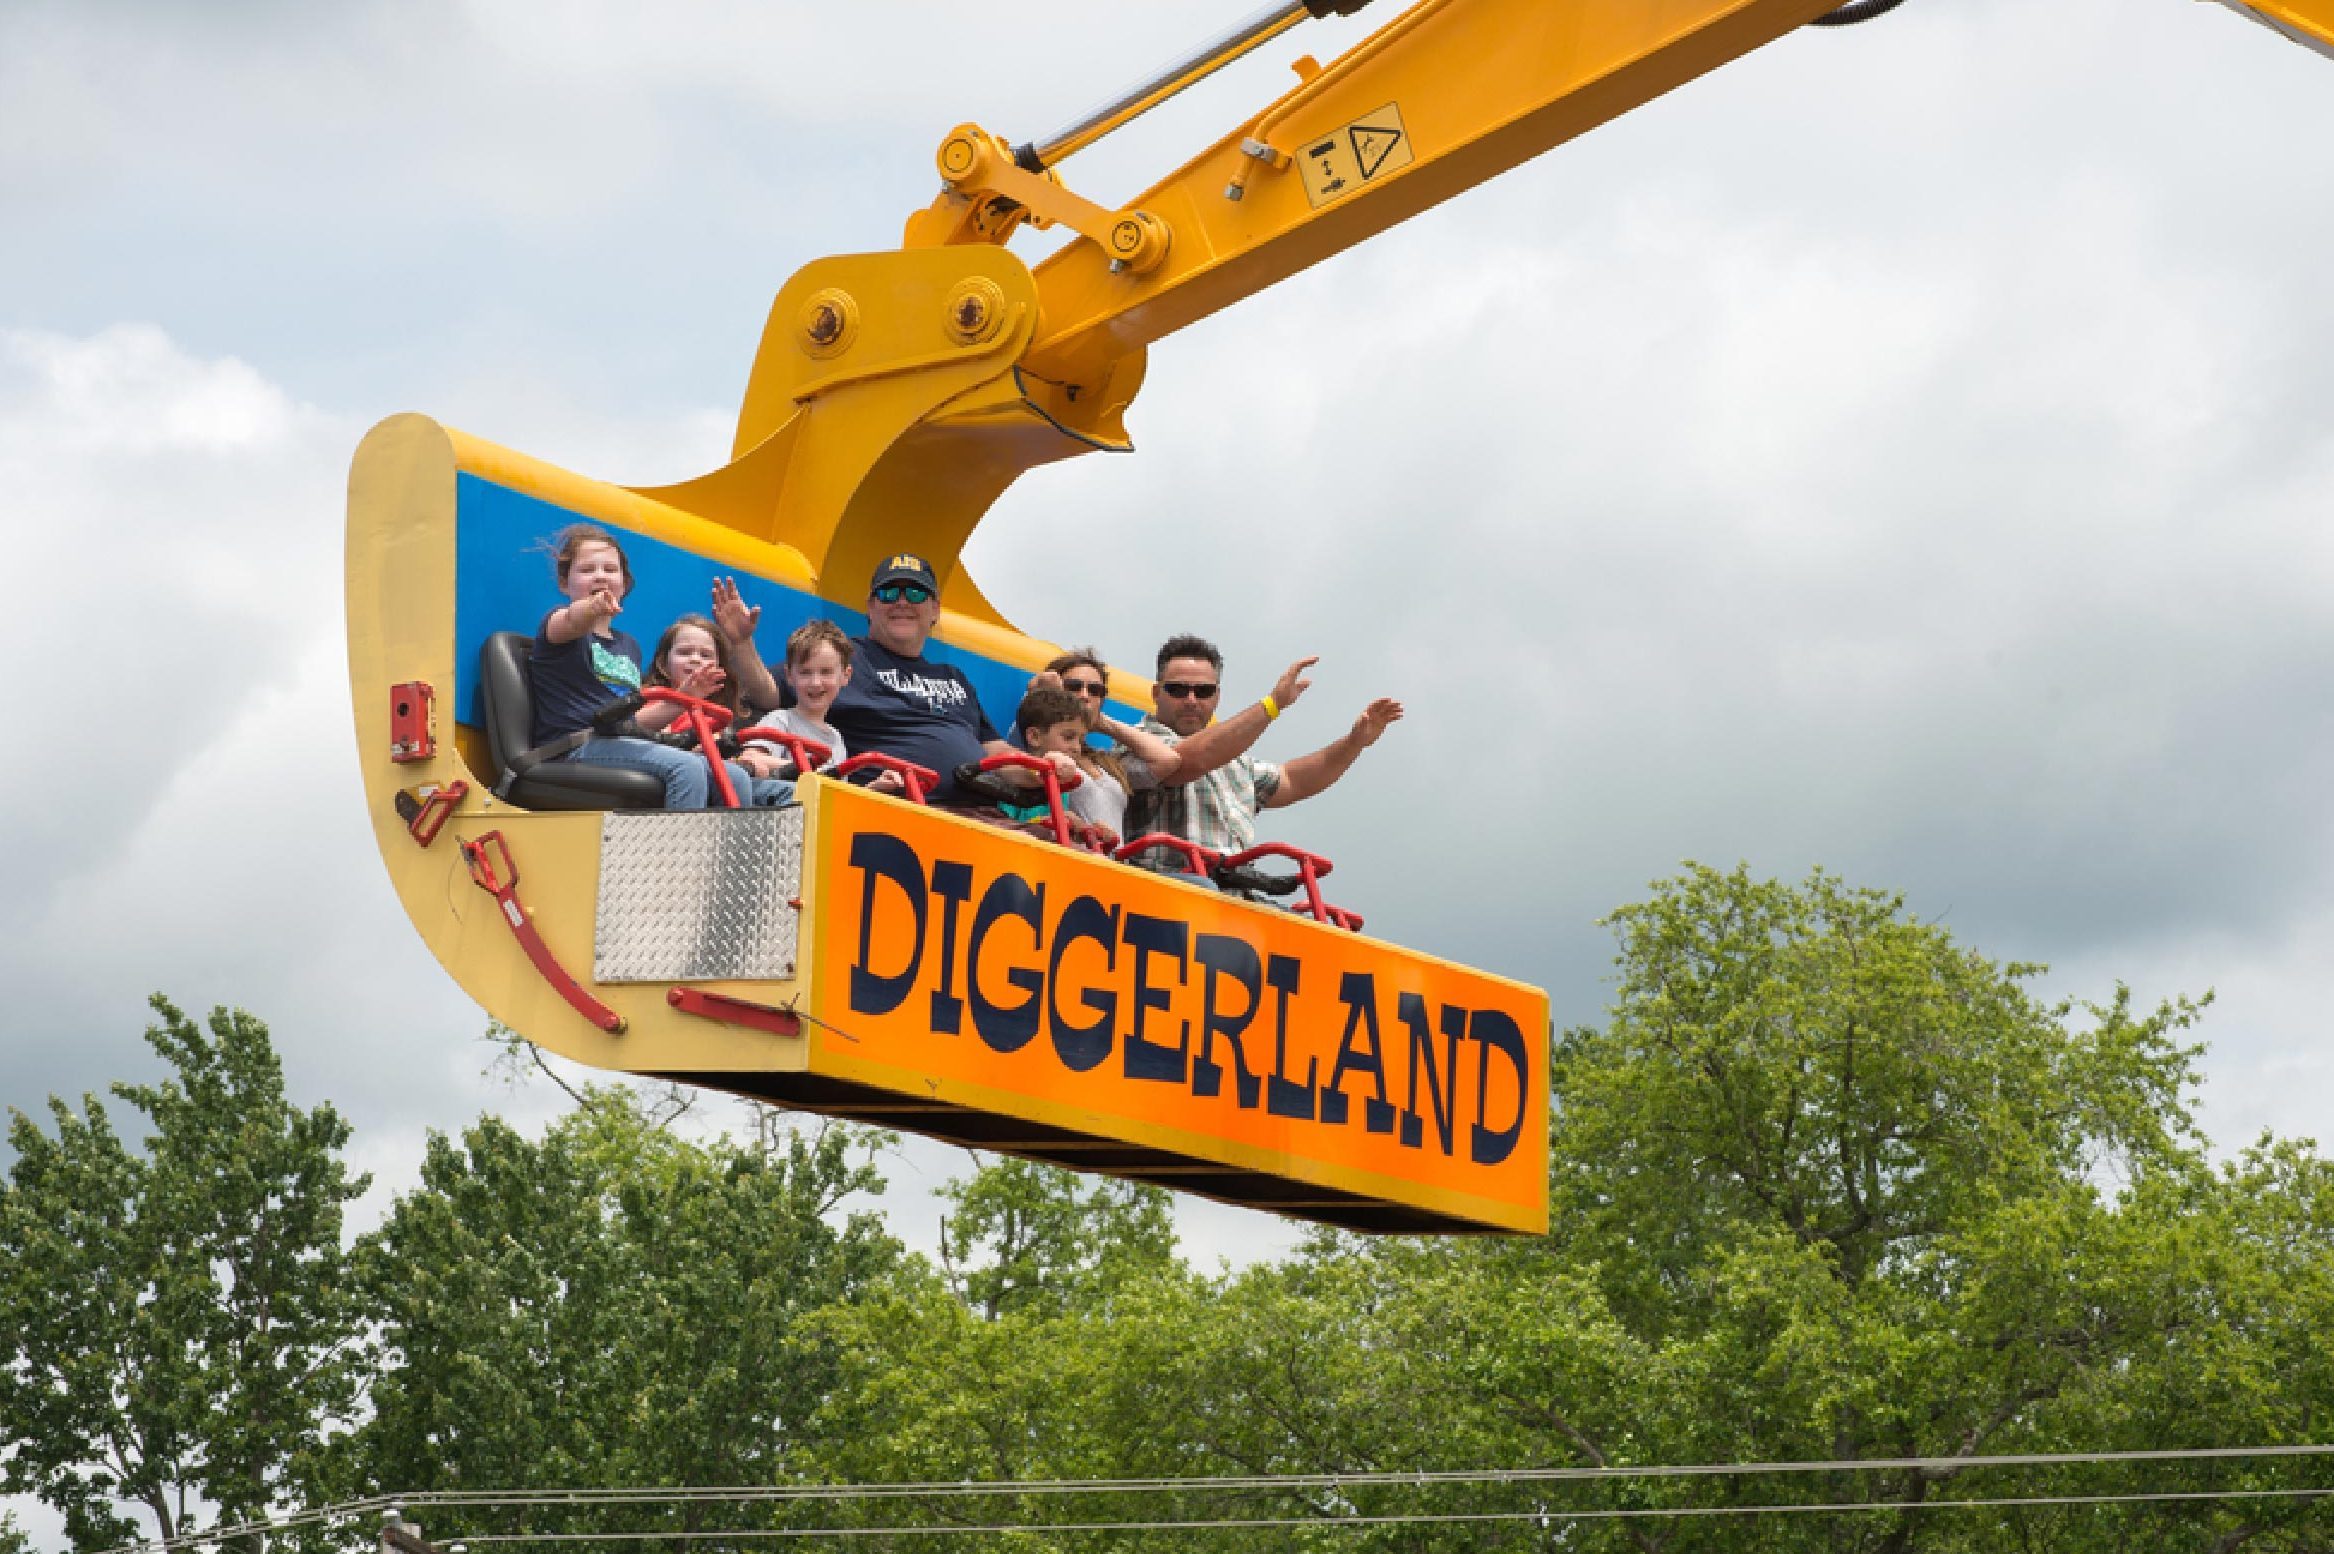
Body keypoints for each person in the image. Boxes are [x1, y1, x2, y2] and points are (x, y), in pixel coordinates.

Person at [526, 524, 789, 809]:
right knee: (686, 768)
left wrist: (685, 698)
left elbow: (632, 725)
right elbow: (572, 620)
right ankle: (678, 853)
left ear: (624, 583)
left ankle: (725, 852)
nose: (600, 575)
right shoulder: (558, 627)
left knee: (733, 775)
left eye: (610, 570)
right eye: (587, 569)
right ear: (565, 583)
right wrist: (590, 608)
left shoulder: (628, 646)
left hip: (618, 742)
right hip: (575, 746)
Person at [1125, 632, 1403, 869]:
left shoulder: (1235, 762)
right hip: (1165, 899)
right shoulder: (1135, 742)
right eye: (1177, 690)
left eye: (1203, 692)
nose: (1191, 700)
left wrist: (1354, 743)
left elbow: (1293, 781)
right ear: (1155, 693)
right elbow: (1187, 761)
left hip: (1231, 906)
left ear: (1217, 697)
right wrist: (1273, 705)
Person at [820, 552, 1020, 801]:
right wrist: (752, 645)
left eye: (916, 594)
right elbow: (771, 691)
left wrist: (1046, 769)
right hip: (896, 809)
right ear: (871, 607)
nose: (902, 602)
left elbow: (993, 749)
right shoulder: (843, 657)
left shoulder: (955, 678)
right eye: (889, 593)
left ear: (935, 610)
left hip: (978, 815)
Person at [1028, 648, 1183, 840]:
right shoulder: (1043, 746)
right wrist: (1045, 701)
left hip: (1110, 864)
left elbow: (1169, 760)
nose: (1085, 695)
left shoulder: (1107, 763)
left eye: (1095, 690)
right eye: (1074, 686)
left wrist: (1101, 722)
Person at [737, 619, 902, 792]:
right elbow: (750, 758)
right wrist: (807, 770)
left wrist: (873, 788)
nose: (815, 683)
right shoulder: (780, 720)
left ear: (846, 675)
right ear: (789, 676)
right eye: (805, 672)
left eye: (826, 672)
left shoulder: (835, 738)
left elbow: (836, 793)